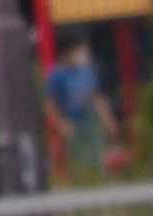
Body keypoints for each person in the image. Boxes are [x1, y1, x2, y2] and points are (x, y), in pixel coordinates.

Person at [43, 39, 119, 178]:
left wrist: (108, 121)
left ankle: (99, 181)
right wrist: (61, 124)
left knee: (98, 156)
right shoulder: (56, 75)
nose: (83, 55)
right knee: (77, 160)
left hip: (90, 120)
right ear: (68, 53)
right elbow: (50, 105)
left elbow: (96, 98)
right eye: (79, 51)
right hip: (70, 122)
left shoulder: (87, 72)